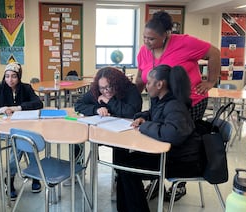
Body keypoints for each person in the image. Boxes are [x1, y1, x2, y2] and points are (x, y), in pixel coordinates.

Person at [135, 11, 220, 197]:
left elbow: (214, 53)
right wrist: (131, 98)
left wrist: (211, 82)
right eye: (144, 37)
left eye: (151, 38)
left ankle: (179, 181)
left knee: (176, 141)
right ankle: (157, 180)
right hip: (161, 103)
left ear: (166, 34)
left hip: (188, 103)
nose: (147, 42)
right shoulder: (144, 51)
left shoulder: (185, 42)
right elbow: (140, 78)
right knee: (157, 140)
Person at [115, 65, 205, 212]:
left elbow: (172, 134)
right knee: (123, 164)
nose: (146, 87)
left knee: (127, 170)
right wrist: (141, 118)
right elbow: (152, 114)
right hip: (172, 155)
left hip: (184, 161)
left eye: (149, 83)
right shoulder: (162, 100)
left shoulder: (174, 105)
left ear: (160, 84)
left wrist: (144, 126)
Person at [75, 66, 142, 198]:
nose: (106, 91)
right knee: (77, 137)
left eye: (109, 87)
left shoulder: (130, 90)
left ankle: (120, 176)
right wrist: (96, 109)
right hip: (103, 131)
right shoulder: (96, 91)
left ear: (117, 83)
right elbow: (79, 104)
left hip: (124, 134)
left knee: (121, 150)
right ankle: (76, 169)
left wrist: (109, 101)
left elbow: (132, 112)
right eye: (102, 88)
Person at [0, 62, 43, 199]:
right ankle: (34, 175)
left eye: (14, 76)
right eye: (7, 76)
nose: (10, 80)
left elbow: (38, 103)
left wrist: (18, 108)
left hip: (24, 128)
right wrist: (0, 109)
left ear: (19, 77)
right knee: (23, 141)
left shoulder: (26, 88)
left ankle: (10, 177)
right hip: (4, 130)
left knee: (23, 140)